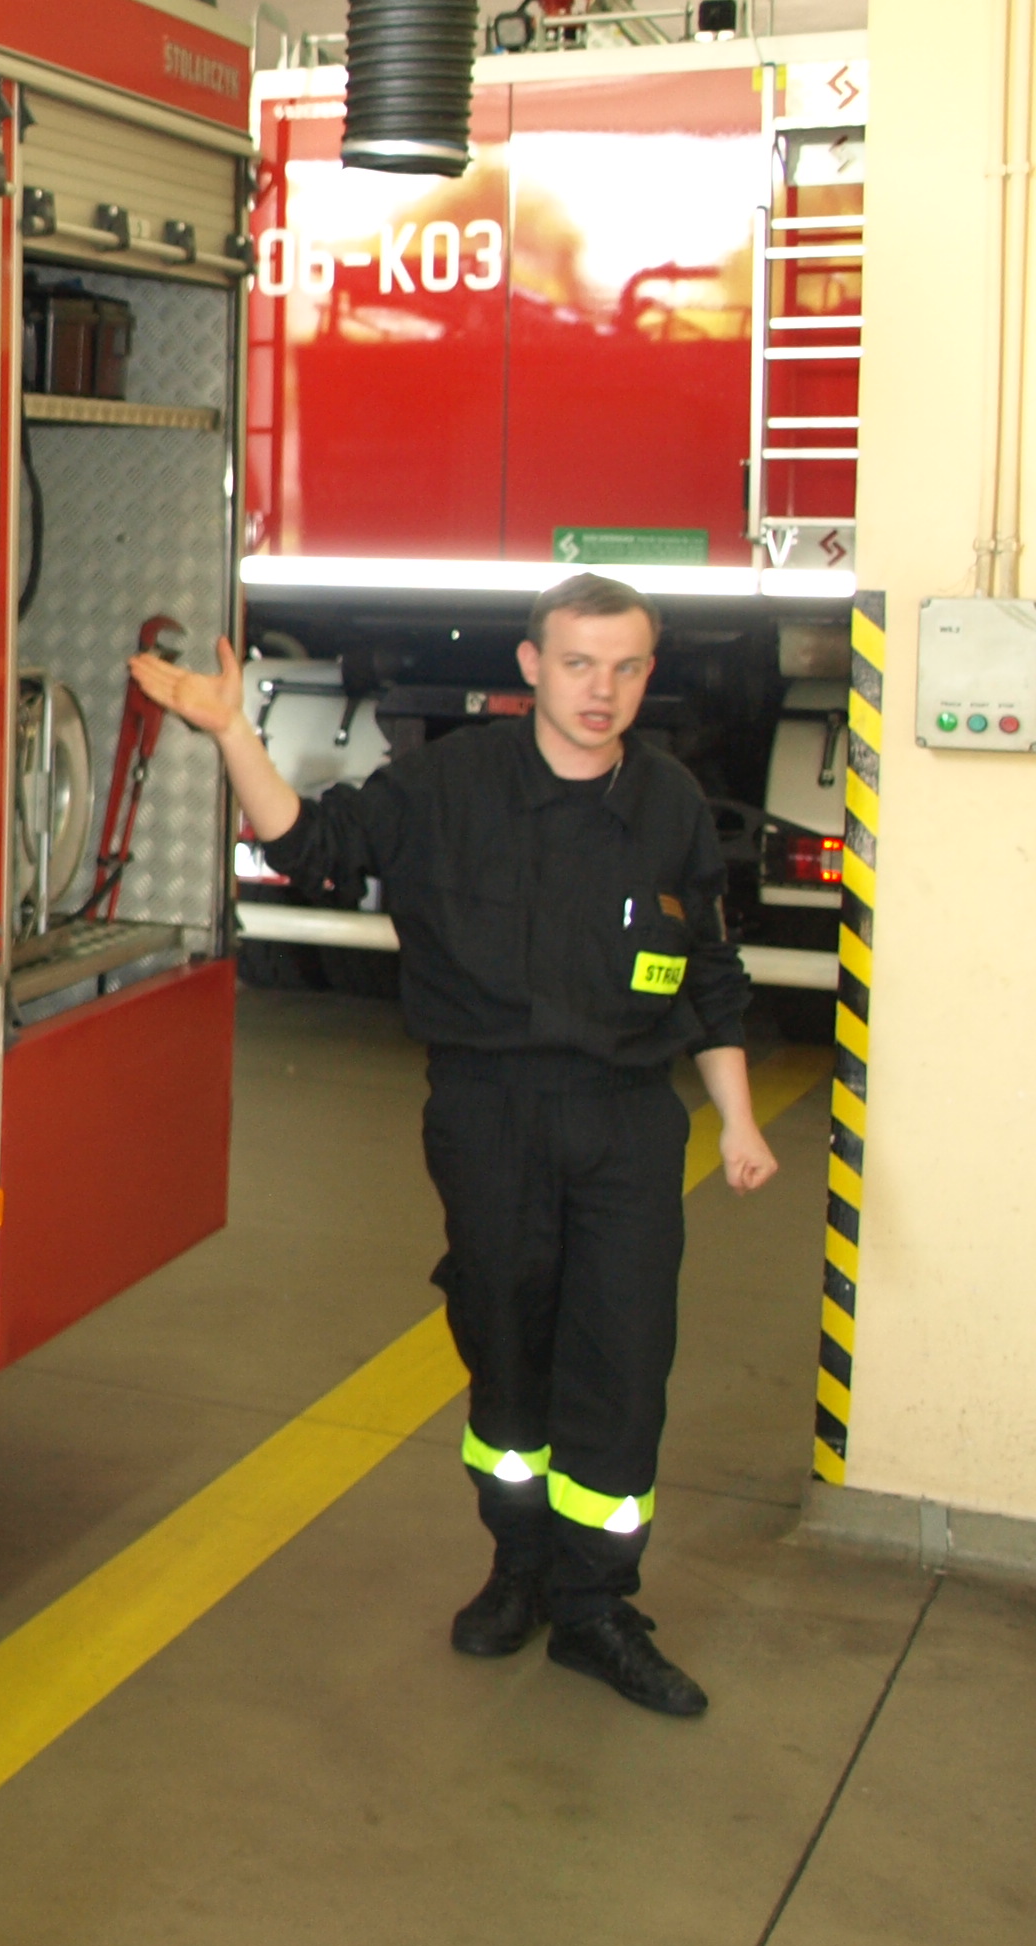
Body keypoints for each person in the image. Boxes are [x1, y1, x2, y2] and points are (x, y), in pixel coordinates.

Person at [130, 573, 774, 1717]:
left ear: (648, 674)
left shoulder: (669, 802)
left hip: (628, 1120)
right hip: (489, 1113)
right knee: (506, 1343)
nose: (602, 690)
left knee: (622, 1361)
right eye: (578, 664)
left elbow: (709, 973)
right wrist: (233, 732)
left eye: (626, 668)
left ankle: (597, 1608)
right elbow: (314, 846)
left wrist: (738, 1120)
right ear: (531, 667)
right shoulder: (452, 783)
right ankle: (519, 1569)